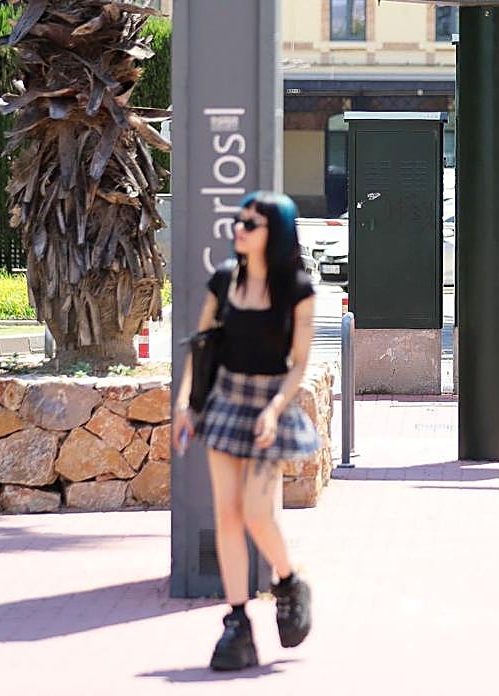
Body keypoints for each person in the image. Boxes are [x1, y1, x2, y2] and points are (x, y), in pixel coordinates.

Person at [173, 191, 320, 672]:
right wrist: (184, 405)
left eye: (251, 224)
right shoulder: (223, 280)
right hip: (224, 403)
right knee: (228, 516)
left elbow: (298, 364)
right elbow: (200, 348)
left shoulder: (297, 289)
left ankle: (289, 581)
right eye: (238, 221)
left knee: (258, 512)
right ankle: (236, 621)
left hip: (266, 406)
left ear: (273, 233)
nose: (239, 229)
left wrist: (276, 408)